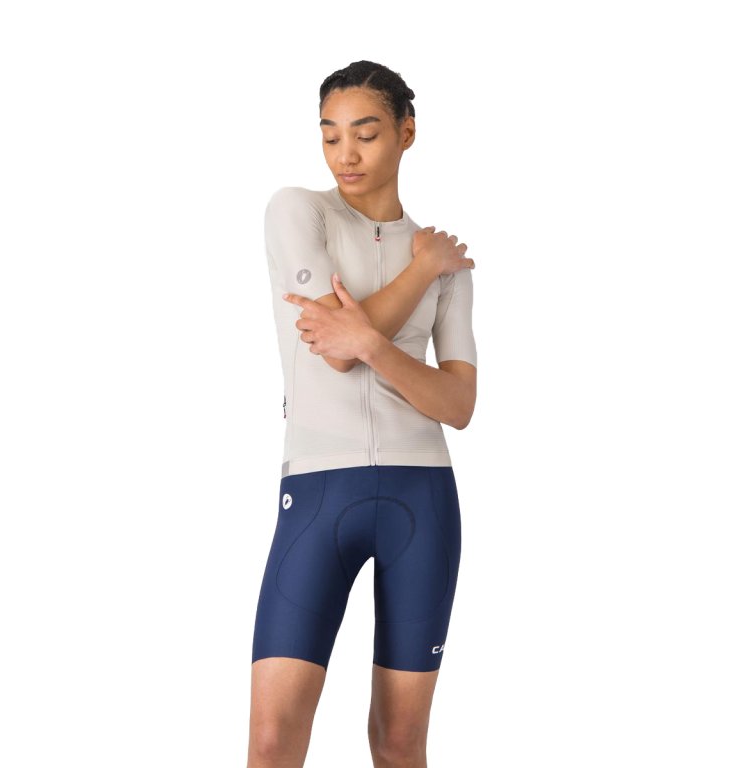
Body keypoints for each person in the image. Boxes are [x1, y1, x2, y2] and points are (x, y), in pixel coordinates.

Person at [247, 60, 477, 768]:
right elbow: (334, 357)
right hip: (319, 491)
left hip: (422, 496)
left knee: (400, 742)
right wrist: (419, 271)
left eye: (366, 134)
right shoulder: (299, 212)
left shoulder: (448, 263)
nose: (345, 154)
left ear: (407, 133)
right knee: (273, 741)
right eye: (330, 136)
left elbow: (458, 404)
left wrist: (370, 342)